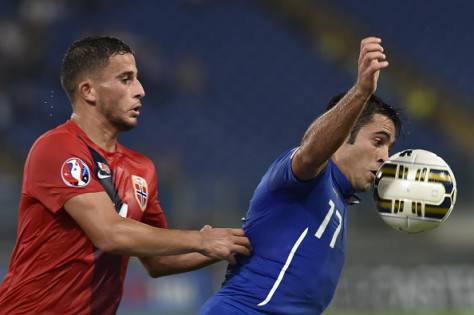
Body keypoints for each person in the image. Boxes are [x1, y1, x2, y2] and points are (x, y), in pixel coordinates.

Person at [0, 36, 251, 315]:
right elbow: (109, 234)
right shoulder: (56, 148)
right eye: (126, 79)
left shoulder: (141, 169)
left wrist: (231, 246)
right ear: (88, 91)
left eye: (138, 78)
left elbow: (158, 262)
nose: (141, 90)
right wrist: (201, 240)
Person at [199, 37, 401, 314]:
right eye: (378, 141)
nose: (385, 157)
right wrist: (360, 92)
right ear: (343, 134)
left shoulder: (338, 198)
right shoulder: (312, 177)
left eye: (389, 147)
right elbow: (309, 152)